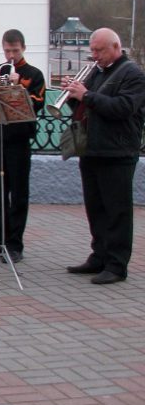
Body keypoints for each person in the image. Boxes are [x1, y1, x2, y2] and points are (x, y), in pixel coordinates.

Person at [62, 28, 145, 284]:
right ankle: (99, 256)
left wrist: (86, 94)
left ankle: (117, 265)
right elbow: (88, 107)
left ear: (116, 47)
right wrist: (73, 96)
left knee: (116, 211)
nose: (94, 55)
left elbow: (122, 108)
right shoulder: (98, 72)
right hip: (92, 149)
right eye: (93, 50)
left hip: (117, 152)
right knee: (95, 207)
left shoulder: (133, 74)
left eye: (99, 50)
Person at [0, 29, 46, 263]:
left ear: (23, 48)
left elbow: (37, 105)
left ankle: (15, 244)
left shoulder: (33, 75)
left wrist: (19, 88)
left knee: (18, 193)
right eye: (7, 50)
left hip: (18, 140)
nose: (11, 55)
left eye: (15, 51)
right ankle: (0, 241)